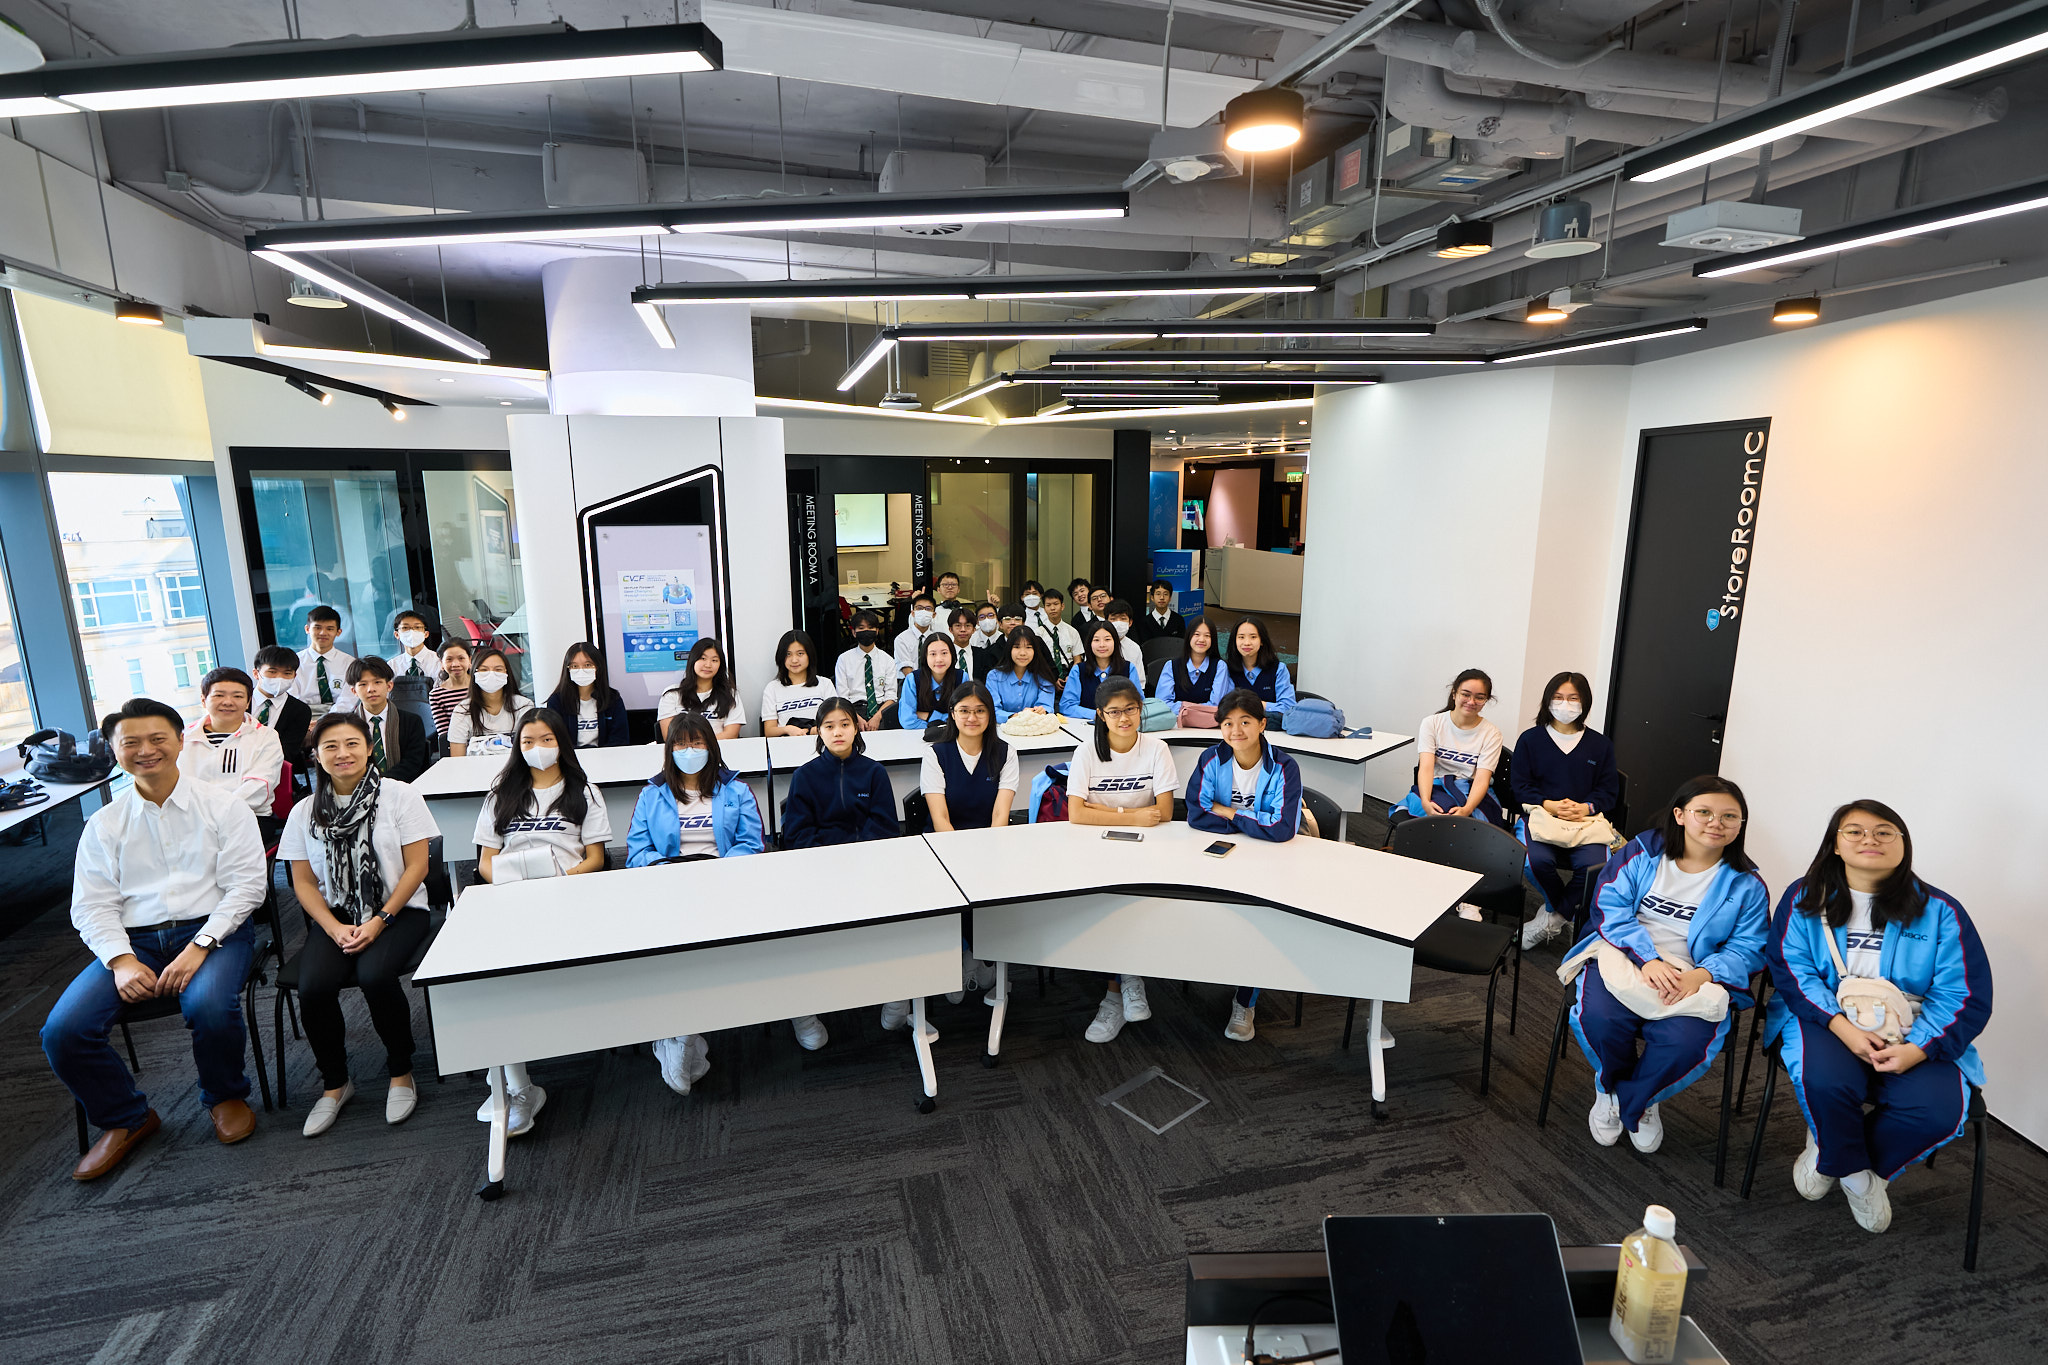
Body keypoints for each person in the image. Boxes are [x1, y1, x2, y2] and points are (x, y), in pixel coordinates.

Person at [42, 697, 264, 1180]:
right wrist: (120, 959)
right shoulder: (104, 824)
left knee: (209, 1007)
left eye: (158, 738)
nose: (146, 750)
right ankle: (127, 1117)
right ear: (115, 751)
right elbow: (92, 906)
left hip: (215, 931)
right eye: (131, 743)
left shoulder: (223, 807)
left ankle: (224, 1095)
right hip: (134, 942)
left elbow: (247, 888)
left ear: (181, 741)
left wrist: (200, 945)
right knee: (63, 1031)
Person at [1765, 800, 1993, 1234]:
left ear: (1903, 844)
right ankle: (1854, 1176)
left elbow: (1963, 993)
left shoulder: (1941, 911)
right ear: (1835, 844)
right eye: (1854, 831)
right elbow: (1791, 969)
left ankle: (1844, 1159)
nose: (1869, 839)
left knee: (1938, 1113)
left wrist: (1919, 1048)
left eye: (1884, 831)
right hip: (1825, 1016)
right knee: (1826, 1082)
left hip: (1914, 1026)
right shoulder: (1805, 896)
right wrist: (1841, 1027)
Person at [1561, 775, 1770, 1154]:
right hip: (1624, 954)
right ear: (1680, 815)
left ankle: (1638, 1097)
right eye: (1703, 812)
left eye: (1729, 816)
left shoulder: (1747, 884)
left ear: (1740, 825)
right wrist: (1649, 959)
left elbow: (1749, 947)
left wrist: (1701, 975)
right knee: (1600, 1019)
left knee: (1685, 1043)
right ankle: (1609, 1087)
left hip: (1694, 973)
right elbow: (1610, 907)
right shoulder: (1643, 852)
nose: (1716, 823)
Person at [282, 712, 439, 1137]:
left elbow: (418, 867)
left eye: (352, 744)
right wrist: (332, 928)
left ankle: (401, 1071)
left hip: (398, 911)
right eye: (330, 747)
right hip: (337, 917)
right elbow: (303, 882)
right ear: (316, 756)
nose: (342, 754)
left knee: (375, 975)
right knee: (314, 986)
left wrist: (381, 920)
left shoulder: (400, 796)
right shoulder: (304, 812)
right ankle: (335, 1082)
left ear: (370, 749)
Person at [471, 709, 612, 1134]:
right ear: (517, 746)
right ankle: (519, 1086)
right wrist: (510, 884)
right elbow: (485, 862)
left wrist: (563, 880)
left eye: (547, 739)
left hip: (569, 895)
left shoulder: (584, 791)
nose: (538, 748)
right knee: (490, 982)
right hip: (512, 899)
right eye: (528, 741)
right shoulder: (501, 795)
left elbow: (596, 858)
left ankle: (509, 1070)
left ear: (561, 743)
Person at [626, 713, 784, 1092]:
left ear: (711, 747)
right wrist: (668, 871)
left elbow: (752, 844)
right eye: (681, 744)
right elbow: (637, 852)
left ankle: (679, 1036)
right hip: (669, 888)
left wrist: (719, 874)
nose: (689, 750)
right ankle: (681, 1035)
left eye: (697, 743)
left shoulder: (736, 790)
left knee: (707, 953)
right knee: (676, 952)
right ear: (669, 750)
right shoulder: (652, 794)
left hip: (723, 886)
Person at [781, 698, 936, 1036]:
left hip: (869, 867)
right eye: (829, 726)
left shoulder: (873, 772)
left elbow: (885, 826)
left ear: (856, 728)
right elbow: (796, 834)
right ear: (819, 732)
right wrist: (830, 860)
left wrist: (857, 859)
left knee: (901, 919)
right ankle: (803, 1009)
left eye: (845, 724)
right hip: (819, 871)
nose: (838, 732)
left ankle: (898, 992)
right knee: (804, 933)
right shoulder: (805, 777)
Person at [1185, 689, 1306, 1043]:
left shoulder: (1284, 766)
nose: (1236, 731)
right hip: (1223, 852)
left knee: (1259, 920)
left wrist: (1230, 812)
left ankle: (1245, 1000)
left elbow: (1282, 829)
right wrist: (1255, 820)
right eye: (1227, 723)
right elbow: (1196, 812)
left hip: (1270, 858)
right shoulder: (1211, 759)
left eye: (1245, 722)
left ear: (1262, 724)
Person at [1066, 676, 1179, 1044]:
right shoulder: (1087, 751)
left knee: (1134, 903)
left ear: (1140, 709)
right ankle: (1123, 985)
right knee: (1109, 904)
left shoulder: (1157, 749)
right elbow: (1076, 814)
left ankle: (1119, 988)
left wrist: (1102, 811)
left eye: (1130, 709)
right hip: (1094, 846)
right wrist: (1130, 815)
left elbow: (1164, 812)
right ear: (1101, 715)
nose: (1124, 718)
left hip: (1148, 845)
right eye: (1114, 712)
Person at [1512, 671, 1622, 949]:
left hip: (1585, 821)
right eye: (1558, 697)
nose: (1565, 704)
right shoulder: (1530, 739)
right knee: (1535, 863)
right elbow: (1520, 785)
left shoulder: (1600, 745)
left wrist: (1585, 807)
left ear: (1585, 702)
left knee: (1595, 869)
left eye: (1573, 698)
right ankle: (1568, 911)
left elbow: (1609, 791)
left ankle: (1553, 919)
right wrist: (1548, 803)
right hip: (1541, 817)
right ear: (1547, 700)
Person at [1393, 668, 1504, 825]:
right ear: (1454, 694)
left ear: (1486, 700)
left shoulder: (1492, 733)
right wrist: (1425, 802)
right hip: (1435, 786)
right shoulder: (1432, 723)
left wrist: (1466, 810)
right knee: (1429, 814)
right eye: (1465, 694)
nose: (1471, 702)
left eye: (1479, 697)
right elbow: (1426, 768)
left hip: (1471, 790)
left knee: (1468, 824)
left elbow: (1481, 780)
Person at [180, 666, 285, 823]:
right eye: (219, 695)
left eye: (237, 696)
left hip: (248, 816)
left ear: (248, 702)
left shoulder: (266, 736)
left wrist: (216, 813)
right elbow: (177, 784)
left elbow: (258, 787)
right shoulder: (183, 738)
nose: (228, 702)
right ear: (203, 700)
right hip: (193, 817)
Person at [344, 656, 429, 782]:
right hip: (359, 787)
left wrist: (382, 782)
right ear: (354, 691)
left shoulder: (411, 721)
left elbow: (413, 763)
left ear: (389, 685)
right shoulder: (346, 726)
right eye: (363, 684)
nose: (371, 689)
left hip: (404, 786)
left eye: (377, 682)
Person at [448, 647, 532, 758]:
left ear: (507, 673)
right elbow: (457, 759)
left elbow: (530, 749)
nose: (491, 674)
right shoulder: (462, 710)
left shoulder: (523, 706)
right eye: (484, 670)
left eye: (498, 669)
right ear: (475, 673)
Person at [544, 641, 630, 749]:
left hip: (607, 756)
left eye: (587, 665)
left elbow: (620, 740)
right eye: (574, 666)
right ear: (568, 669)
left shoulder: (612, 699)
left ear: (598, 667)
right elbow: (555, 740)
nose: (581, 670)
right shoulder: (557, 701)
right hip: (571, 757)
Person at [657, 638, 744, 741]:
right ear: (693, 660)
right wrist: (696, 745)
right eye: (703, 658)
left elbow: (731, 734)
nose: (708, 665)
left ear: (720, 665)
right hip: (684, 750)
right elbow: (669, 736)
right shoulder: (672, 694)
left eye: (714, 660)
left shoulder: (730, 694)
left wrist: (702, 744)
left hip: (720, 749)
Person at [761, 629, 838, 736]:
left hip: (820, 742)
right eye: (788, 654)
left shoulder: (825, 684)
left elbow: (835, 721)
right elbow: (769, 731)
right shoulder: (772, 688)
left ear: (809, 655)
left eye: (800, 653)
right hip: (786, 743)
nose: (794, 660)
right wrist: (787, 730)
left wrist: (816, 730)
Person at [1058, 620, 1139, 720]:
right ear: (1090, 643)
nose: (1102, 645)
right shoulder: (1078, 670)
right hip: (1085, 726)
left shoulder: (1129, 668)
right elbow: (1066, 706)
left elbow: (1139, 703)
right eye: (1096, 640)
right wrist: (1098, 715)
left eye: (1107, 639)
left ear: (1115, 642)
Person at [833, 610, 898, 730]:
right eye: (861, 628)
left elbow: (891, 696)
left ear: (877, 631)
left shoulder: (888, 660)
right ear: (854, 632)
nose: (866, 631)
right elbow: (842, 697)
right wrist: (855, 718)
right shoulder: (844, 659)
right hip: (852, 710)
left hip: (881, 710)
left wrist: (877, 718)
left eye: (870, 628)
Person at [251, 644, 311, 772]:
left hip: (274, 772)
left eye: (287, 673)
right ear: (256, 673)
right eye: (272, 672)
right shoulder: (240, 700)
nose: (279, 677)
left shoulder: (300, 710)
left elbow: (288, 752)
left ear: (294, 676)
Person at [292, 605, 355, 721]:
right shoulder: (293, 662)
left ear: (338, 632)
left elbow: (348, 700)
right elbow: (292, 698)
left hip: (339, 719)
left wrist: (327, 721)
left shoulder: (350, 663)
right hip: (302, 719)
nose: (323, 633)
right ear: (307, 629)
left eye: (329, 629)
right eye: (317, 628)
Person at [1224, 617, 1296, 717]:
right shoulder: (1226, 669)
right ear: (1234, 641)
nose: (1247, 642)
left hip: (1273, 725)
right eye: (1241, 637)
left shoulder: (1279, 669)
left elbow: (1289, 707)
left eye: (1253, 637)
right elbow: (1227, 706)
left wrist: (1256, 705)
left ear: (1262, 640)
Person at [988, 626, 1057, 722]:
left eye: (1028, 647)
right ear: (1009, 649)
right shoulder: (994, 676)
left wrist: (1041, 710)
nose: (1023, 653)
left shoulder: (1043, 675)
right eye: (1017, 647)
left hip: (1035, 726)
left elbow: (1047, 706)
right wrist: (1015, 716)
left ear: (1035, 650)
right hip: (1003, 728)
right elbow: (992, 710)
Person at [898, 633, 965, 732]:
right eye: (933, 654)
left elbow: (964, 716)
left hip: (953, 736)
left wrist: (930, 716)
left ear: (952, 654)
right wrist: (943, 723)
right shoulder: (912, 679)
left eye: (944, 653)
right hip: (918, 735)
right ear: (925, 656)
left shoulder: (962, 677)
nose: (939, 659)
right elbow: (907, 721)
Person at [1154, 616, 1225, 706]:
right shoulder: (1171, 666)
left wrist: (1185, 708)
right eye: (1197, 634)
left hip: (1206, 717)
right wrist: (1194, 709)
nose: (1201, 640)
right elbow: (1163, 703)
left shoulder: (1220, 667)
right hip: (1175, 716)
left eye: (1207, 635)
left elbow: (1216, 705)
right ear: (1188, 636)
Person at [1032, 587, 1083, 676]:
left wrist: (1071, 677)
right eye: (1048, 605)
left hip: (1069, 675)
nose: (1052, 608)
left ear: (1062, 606)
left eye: (1056, 604)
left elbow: (1077, 660)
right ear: (1044, 609)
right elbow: (1036, 660)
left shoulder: (1072, 632)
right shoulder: (1038, 633)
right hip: (1047, 675)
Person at [429, 640, 474, 740]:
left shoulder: (481, 686)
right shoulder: (436, 695)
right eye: (449, 659)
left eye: (461, 658)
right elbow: (444, 733)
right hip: (455, 743)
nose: (455, 664)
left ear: (469, 660)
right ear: (442, 663)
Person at [894, 593, 940, 678]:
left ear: (934, 614)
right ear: (913, 613)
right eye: (919, 608)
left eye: (928, 609)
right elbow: (906, 669)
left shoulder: (937, 640)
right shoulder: (902, 639)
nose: (923, 612)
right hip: (909, 681)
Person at [1131, 579, 1187, 645]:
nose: (1162, 597)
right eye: (1158, 594)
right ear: (1152, 597)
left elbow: (1181, 644)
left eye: (1165, 594)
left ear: (1170, 597)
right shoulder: (1144, 622)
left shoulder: (1179, 620)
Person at [387, 608, 437, 681]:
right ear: (397, 634)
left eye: (417, 627)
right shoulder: (392, 665)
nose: (412, 631)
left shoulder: (438, 661)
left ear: (426, 634)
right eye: (405, 628)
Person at [966, 603, 1008, 680]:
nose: (987, 619)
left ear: (997, 619)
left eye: (991, 615)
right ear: (977, 622)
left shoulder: (1003, 640)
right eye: (982, 617)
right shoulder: (971, 639)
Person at [1102, 599, 1146, 671]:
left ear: (1130, 622)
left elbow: (1139, 676)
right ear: (1106, 621)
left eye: (1123, 618)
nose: (1118, 623)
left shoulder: (1134, 648)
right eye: (1113, 619)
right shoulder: (1098, 645)